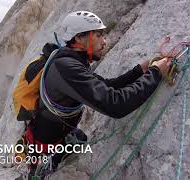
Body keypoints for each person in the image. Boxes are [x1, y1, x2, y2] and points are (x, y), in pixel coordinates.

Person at [24, 11, 171, 179]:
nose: (105, 41)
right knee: (41, 173)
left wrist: (140, 71)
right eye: (99, 35)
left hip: (59, 131)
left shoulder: (71, 60)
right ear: (79, 38)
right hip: (47, 141)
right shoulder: (67, 68)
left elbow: (105, 86)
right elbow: (115, 104)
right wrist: (156, 74)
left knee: (80, 138)